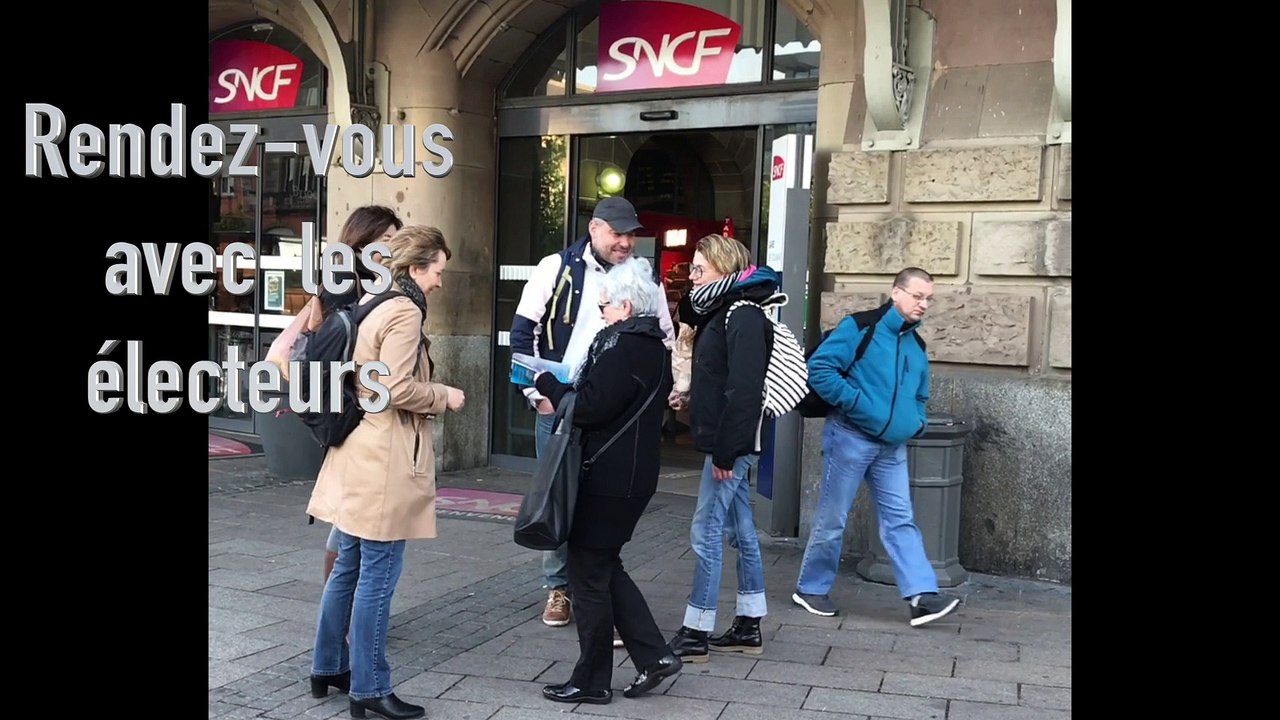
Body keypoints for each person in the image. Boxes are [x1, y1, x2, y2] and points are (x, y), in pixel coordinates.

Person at [306, 226, 466, 720]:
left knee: (349, 567)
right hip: (385, 458)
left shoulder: (374, 298)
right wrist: (444, 395)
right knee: (378, 576)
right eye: (438, 270)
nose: (440, 281)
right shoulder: (404, 310)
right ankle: (370, 689)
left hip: (358, 449)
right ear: (416, 268)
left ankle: (329, 666)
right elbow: (393, 387)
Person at [509, 196, 675, 629]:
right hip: (560, 403)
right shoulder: (555, 268)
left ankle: (596, 588)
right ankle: (559, 587)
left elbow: (666, 339)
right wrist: (534, 394)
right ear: (596, 228)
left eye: (631, 235)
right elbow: (522, 333)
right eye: (618, 233)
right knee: (557, 496)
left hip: (614, 409)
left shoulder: (644, 278)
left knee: (600, 506)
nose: (625, 242)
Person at [533, 256, 682, 705]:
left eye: (605, 303)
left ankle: (592, 679)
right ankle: (654, 656)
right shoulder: (654, 347)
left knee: (587, 576)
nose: (600, 309)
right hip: (632, 476)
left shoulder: (622, 347)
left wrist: (549, 384)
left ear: (625, 305)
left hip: (608, 477)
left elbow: (592, 406)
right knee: (603, 565)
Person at [792, 267, 961, 627]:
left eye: (928, 298)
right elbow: (820, 369)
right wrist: (854, 403)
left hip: (891, 447)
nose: (924, 304)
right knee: (833, 517)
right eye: (917, 296)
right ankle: (810, 588)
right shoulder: (860, 327)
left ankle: (921, 597)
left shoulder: (916, 345)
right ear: (896, 293)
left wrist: (915, 420)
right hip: (850, 437)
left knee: (901, 520)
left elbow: (921, 394)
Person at [666, 234, 774, 663]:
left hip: (731, 444)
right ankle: (749, 622)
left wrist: (728, 452)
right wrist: (690, 398)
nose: (691, 276)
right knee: (740, 528)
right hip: (727, 439)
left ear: (724, 270)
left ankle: (696, 629)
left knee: (706, 530)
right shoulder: (722, 310)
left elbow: (745, 390)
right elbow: (718, 376)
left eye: (699, 268)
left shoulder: (742, 313)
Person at [311, 205, 405, 583]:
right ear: (362, 239)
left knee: (348, 517)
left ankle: (340, 603)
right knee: (349, 519)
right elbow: (349, 348)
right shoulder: (346, 281)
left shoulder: (364, 279)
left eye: (397, 240)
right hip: (352, 409)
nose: (393, 248)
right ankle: (340, 601)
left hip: (353, 406)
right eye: (386, 240)